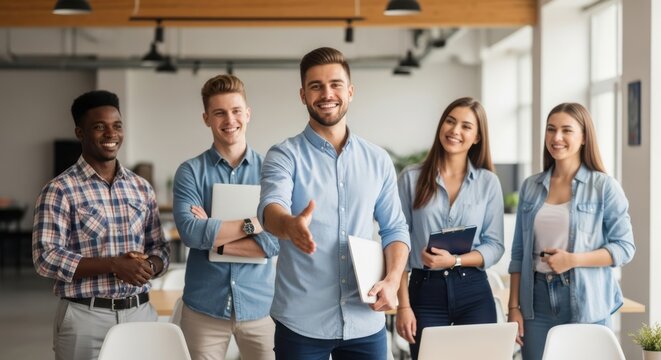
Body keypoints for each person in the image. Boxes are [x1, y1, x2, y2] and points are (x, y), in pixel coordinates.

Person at [257, 47, 411, 359]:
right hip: (301, 323)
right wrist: (289, 226)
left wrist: (393, 281)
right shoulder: (284, 155)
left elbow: (395, 229)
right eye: (316, 86)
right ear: (303, 95)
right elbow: (270, 209)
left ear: (350, 91)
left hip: (365, 321)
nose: (327, 93)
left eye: (335, 84)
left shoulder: (377, 160)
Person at [32, 90, 170, 360]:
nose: (111, 134)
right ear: (80, 133)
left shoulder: (141, 188)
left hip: (140, 314)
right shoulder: (59, 189)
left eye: (117, 126)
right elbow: (46, 258)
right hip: (85, 317)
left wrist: (149, 266)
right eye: (99, 127)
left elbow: (160, 248)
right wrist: (115, 265)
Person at [507, 103, 635, 360]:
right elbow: (519, 252)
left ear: (584, 136)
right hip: (536, 302)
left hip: (587, 300)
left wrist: (573, 260)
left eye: (567, 130)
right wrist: (514, 307)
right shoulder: (531, 186)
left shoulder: (604, 187)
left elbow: (625, 248)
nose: (557, 138)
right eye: (551, 129)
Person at [172, 74, 279, 360]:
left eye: (235, 111)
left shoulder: (272, 170)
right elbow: (191, 234)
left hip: (262, 308)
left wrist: (214, 240)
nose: (229, 120)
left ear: (248, 113)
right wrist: (254, 223)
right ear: (207, 118)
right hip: (204, 308)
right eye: (219, 112)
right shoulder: (190, 172)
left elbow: (275, 243)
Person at [395, 97, 505, 359]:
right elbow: (397, 244)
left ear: (477, 137)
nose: (455, 131)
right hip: (425, 292)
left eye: (466, 126)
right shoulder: (411, 179)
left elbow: (495, 245)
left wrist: (454, 260)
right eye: (450, 121)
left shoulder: (488, 183)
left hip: (474, 292)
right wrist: (403, 306)